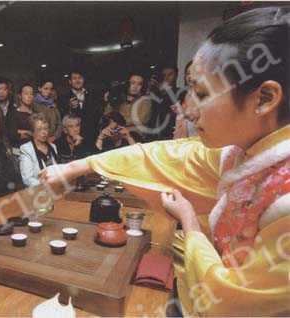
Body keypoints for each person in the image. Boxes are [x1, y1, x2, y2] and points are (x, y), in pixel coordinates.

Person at [40, 7, 290, 316]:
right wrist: (75, 166)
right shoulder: (243, 152)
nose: (188, 109)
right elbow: (162, 155)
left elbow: (231, 303)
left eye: (200, 93)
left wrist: (189, 221)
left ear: (264, 99)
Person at [58, 70, 102, 151]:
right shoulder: (63, 97)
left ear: (83, 80)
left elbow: (98, 116)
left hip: (92, 137)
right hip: (73, 140)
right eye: (74, 78)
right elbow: (62, 118)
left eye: (80, 78)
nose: (77, 80)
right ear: (70, 81)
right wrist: (69, 107)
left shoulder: (93, 95)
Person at [104, 71, 152, 138]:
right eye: (133, 83)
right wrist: (110, 100)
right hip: (115, 132)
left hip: (135, 135)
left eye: (139, 84)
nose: (135, 87)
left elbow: (138, 121)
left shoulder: (145, 101)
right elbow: (107, 113)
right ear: (127, 83)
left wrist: (117, 121)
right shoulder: (118, 96)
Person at [19, 113, 58, 187]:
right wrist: (47, 185)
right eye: (39, 129)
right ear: (32, 132)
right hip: (38, 191)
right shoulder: (26, 149)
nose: (44, 132)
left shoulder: (53, 147)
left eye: (46, 128)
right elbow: (27, 179)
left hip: (56, 188)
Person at [147, 64, 180, 141]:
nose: (166, 78)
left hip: (171, 137)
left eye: (170, 74)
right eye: (164, 75)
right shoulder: (156, 95)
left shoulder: (181, 93)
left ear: (176, 75)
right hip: (152, 138)